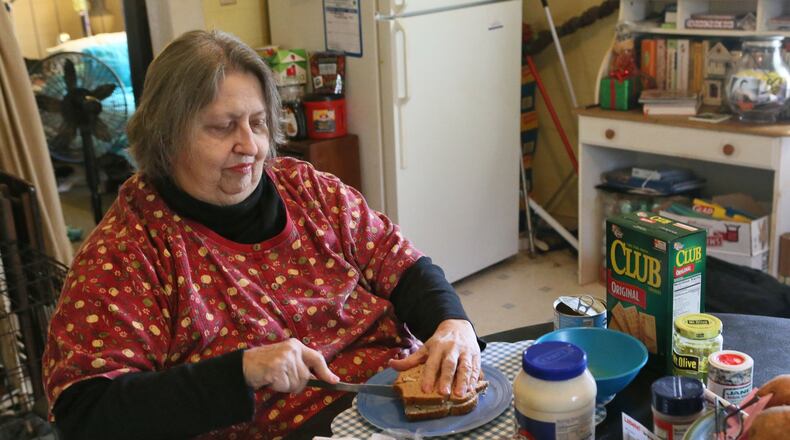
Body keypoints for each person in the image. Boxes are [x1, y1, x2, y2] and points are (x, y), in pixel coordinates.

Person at [42, 30, 483, 439]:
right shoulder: (127, 250)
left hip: (396, 398)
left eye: (257, 123)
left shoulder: (306, 188)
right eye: (222, 127)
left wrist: (452, 323)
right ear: (166, 135)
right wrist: (241, 371)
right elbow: (86, 413)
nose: (251, 146)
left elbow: (401, 263)